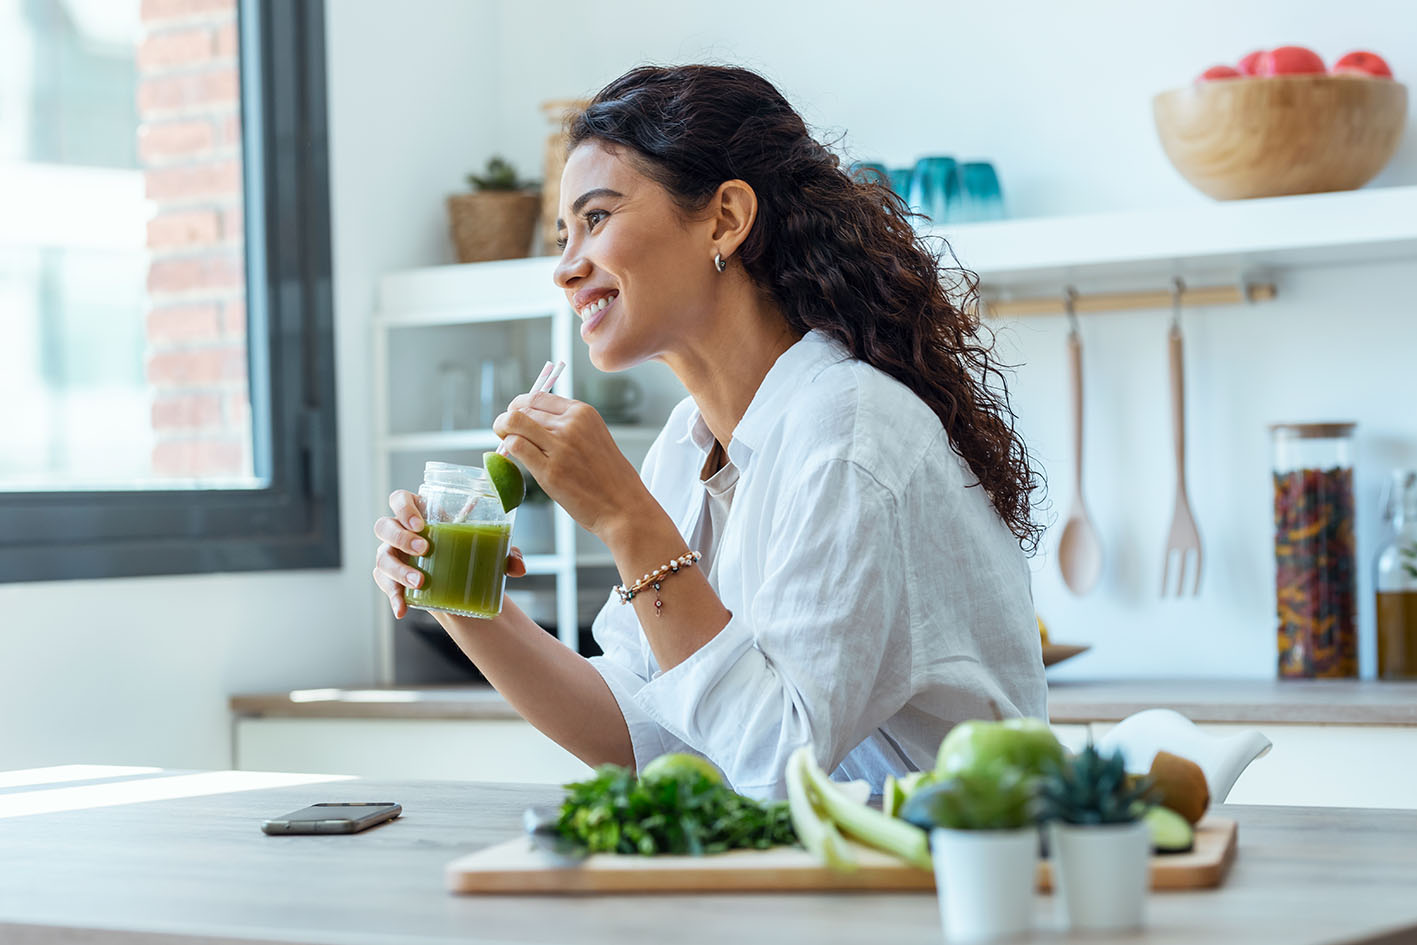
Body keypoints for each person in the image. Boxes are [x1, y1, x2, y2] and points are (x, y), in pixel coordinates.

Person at [373, 64, 1046, 799]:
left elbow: (779, 767)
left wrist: (627, 521)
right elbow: (642, 734)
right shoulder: (687, 443)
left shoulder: (849, 431)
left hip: (939, 879)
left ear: (724, 218)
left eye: (596, 218)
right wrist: (463, 597)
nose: (565, 268)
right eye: (563, 234)